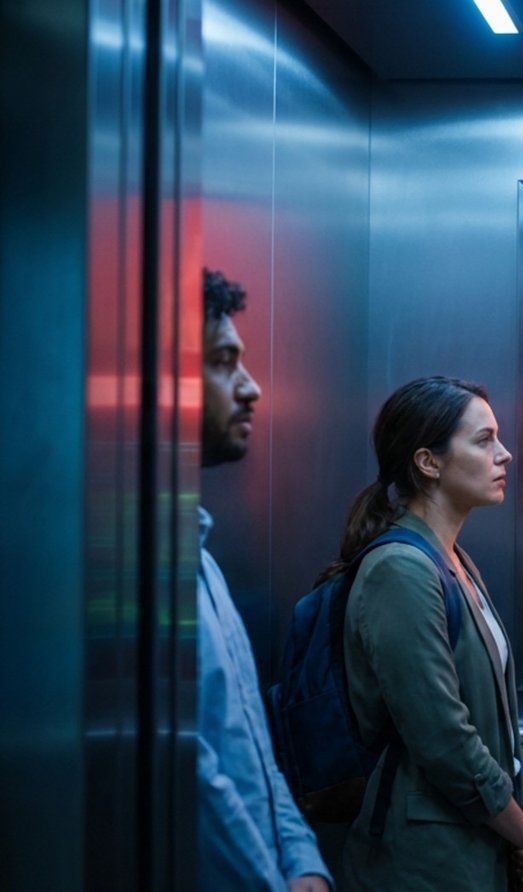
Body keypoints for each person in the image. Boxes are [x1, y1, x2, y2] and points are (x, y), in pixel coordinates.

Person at [335, 377, 523, 890]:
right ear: (428, 462)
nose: (504, 454)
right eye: (484, 440)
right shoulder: (401, 569)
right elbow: (443, 738)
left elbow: (496, 714)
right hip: (423, 861)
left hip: (475, 847)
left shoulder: (456, 562)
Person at [197, 268, 333, 891]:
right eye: (225, 362)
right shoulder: (134, 580)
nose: (251, 388)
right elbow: (195, 778)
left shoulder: (205, 568)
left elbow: (254, 749)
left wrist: (304, 863)